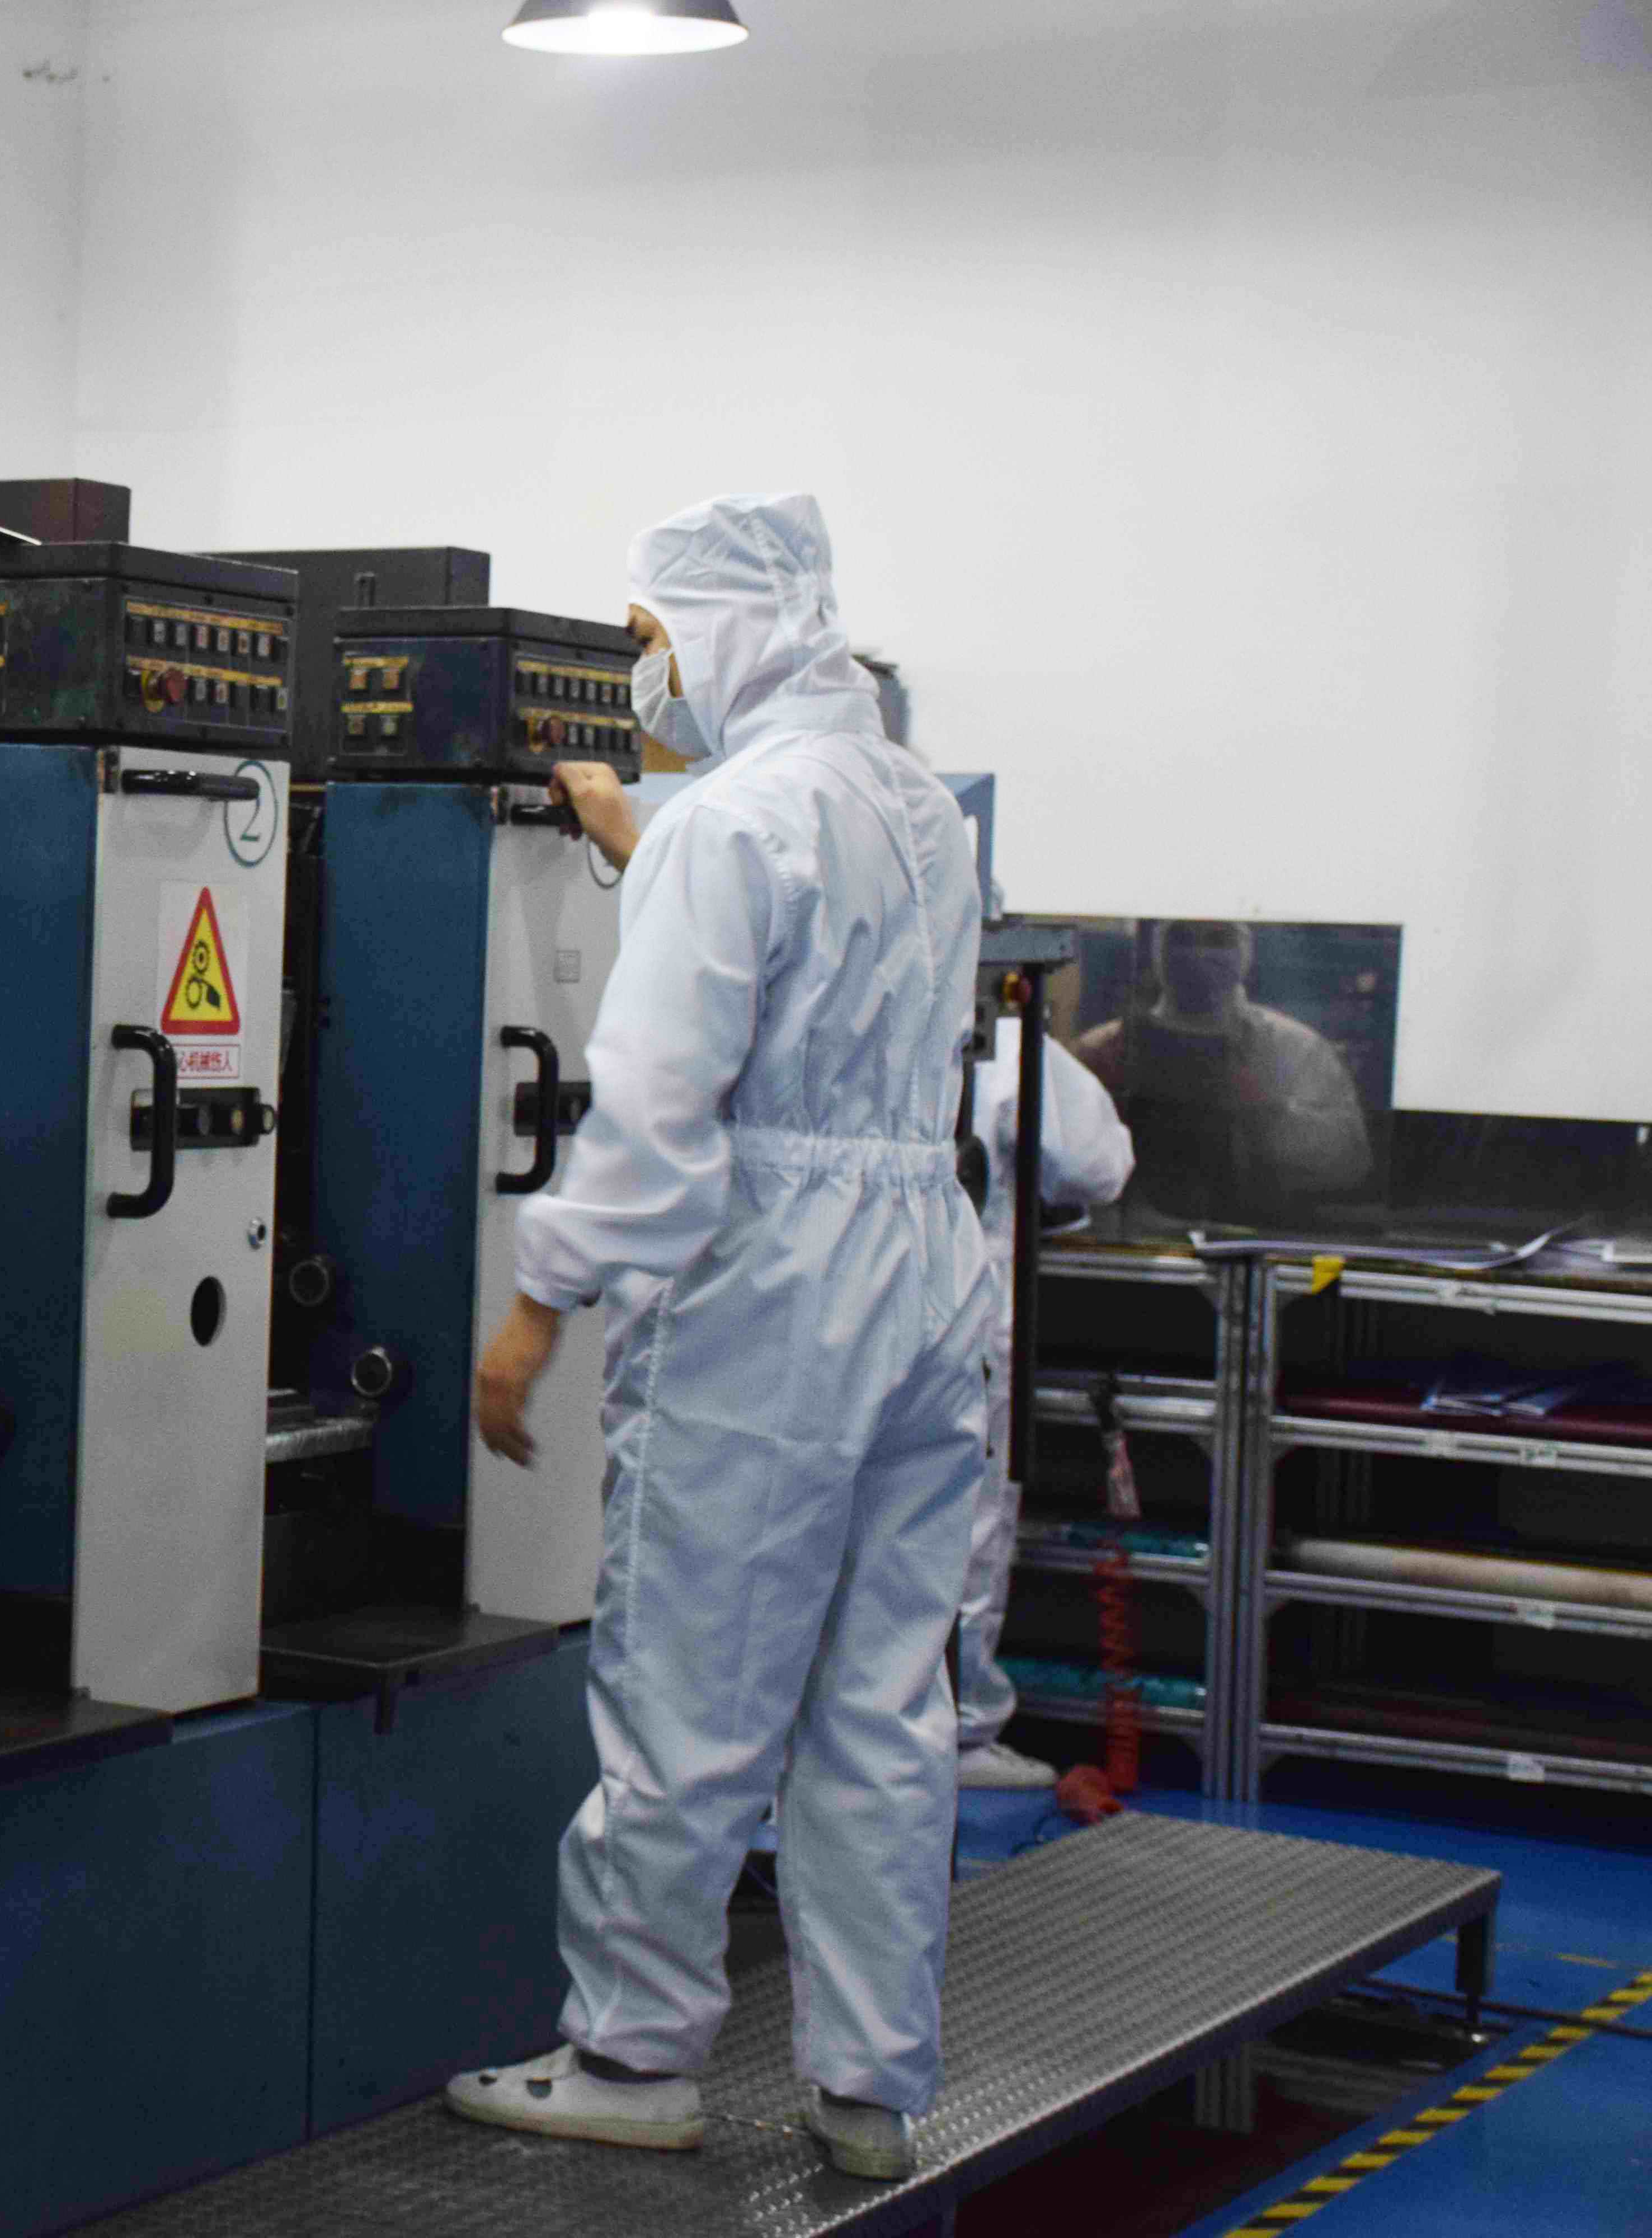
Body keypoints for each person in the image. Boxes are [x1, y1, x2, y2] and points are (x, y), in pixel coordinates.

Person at [455, 493, 995, 2183]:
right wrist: (646, 839)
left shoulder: (729, 823)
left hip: (772, 1286)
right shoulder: (917, 806)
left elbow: (657, 1108)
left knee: (687, 1681)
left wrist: (535, 1305)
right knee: (879, 1699)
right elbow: (811, 975)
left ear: (727, 627)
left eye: (647, 637)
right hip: (925, 1266)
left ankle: (632, 2054)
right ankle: (868, 2086)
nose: (643, 672)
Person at [954, 1016, 1136, 1789]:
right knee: (963, 1530)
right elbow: (1094, 1164)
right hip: (963, 1320)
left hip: (833, 1318)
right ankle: (955, 1734)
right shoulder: (1002, 1035)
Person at [1072, 920, 1372, 1226]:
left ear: (1246, 951)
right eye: (1182, 938)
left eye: (1219, 939)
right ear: (1156, 949)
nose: (1200, 954)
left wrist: (1269, 1116)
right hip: (1137, 1240)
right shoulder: (1103, 1051)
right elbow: (1070, 1165)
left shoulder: (1296, 1050)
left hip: (1259, 1235)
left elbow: (1348, 1162)